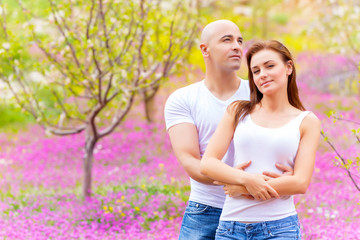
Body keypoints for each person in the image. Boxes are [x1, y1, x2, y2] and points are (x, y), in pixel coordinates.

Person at [164, 20, 292, 240]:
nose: (237, 46)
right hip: (205, 211)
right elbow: (191, 163)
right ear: (205, 49)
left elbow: (287, 139)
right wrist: (241, 182)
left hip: (258, 212)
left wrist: (288, 177)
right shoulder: (182, 99)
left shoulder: (259, 93)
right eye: (227, 40)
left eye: (239, 40)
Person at [200, 40, 321, 239]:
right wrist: (248, 180)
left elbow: (300, 182)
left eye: (270, 66)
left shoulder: (307, 121)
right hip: (231, 228)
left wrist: (241, 188)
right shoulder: (237, 111)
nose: (262, 74)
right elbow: (208, 163)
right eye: (255, 71)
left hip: (280, 229)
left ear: (288, 67)